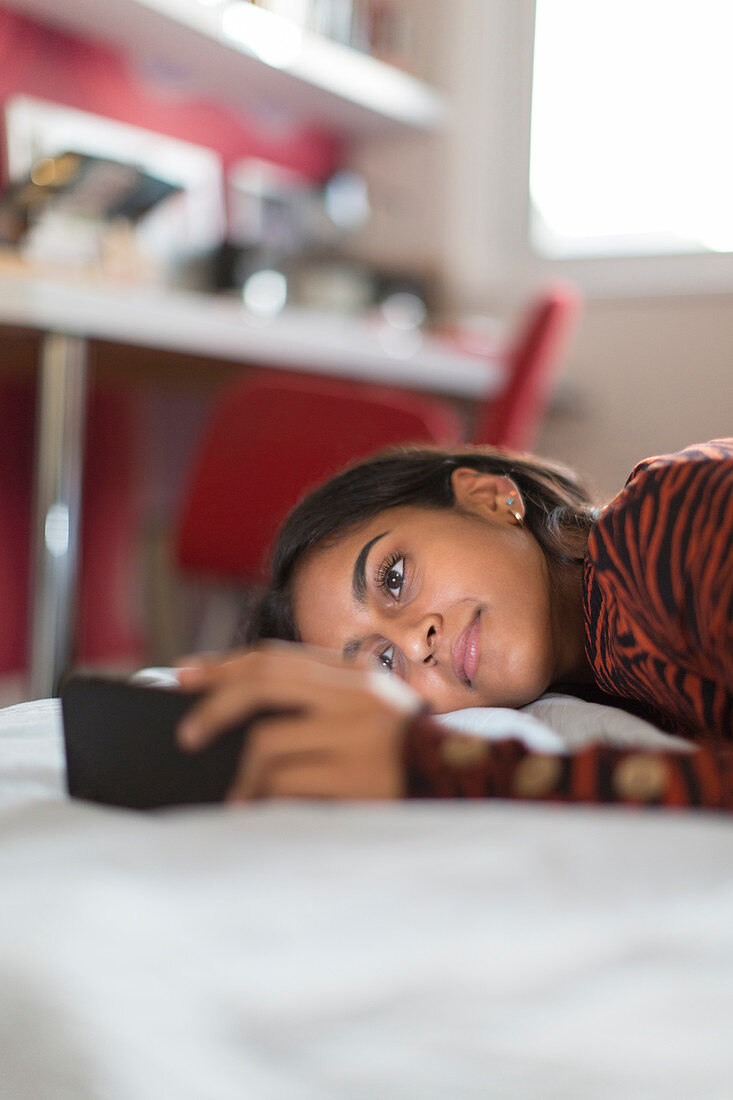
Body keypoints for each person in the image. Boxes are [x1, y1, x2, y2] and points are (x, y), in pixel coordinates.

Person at [175, 438, 733, 810]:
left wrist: (445, 768)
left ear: (488, 496)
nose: (416, 642)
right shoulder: (612, 681)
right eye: (382, 664)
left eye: (393, 578)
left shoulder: (670, 521)